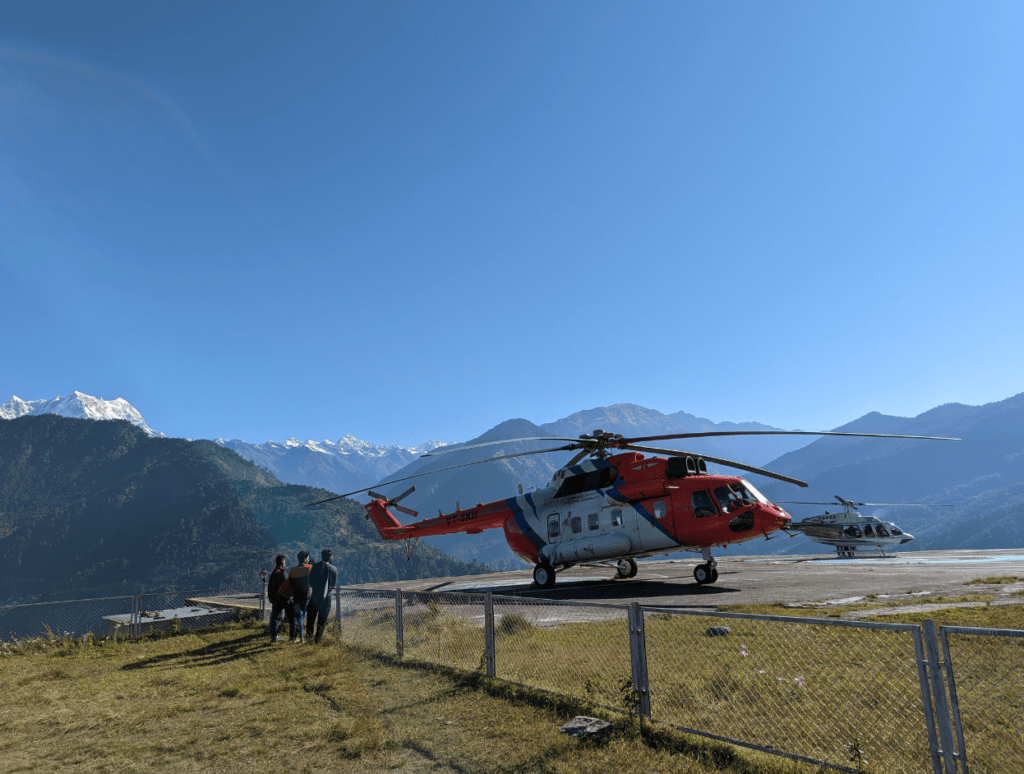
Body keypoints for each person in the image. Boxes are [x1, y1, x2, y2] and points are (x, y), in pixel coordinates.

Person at [306, 548, 339, 644]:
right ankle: (317, 641)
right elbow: (333, 585)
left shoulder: (315, 566)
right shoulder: (333, 569)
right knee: (322, 621)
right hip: (326, 598)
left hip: (314, 597)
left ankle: (308, 640)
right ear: (330, 557)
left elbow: (310, 582)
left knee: (310, 620)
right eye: (332, 556)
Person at [267, 554, 293, 643]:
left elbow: (271, 587)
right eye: (285, 562)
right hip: (282, 598)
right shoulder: (280, 573)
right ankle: (290, 635)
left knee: (276, 616)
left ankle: (274, 635)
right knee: (285, 616)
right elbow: (285, 585)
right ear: (282, 563)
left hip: (276, 598)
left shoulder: (274, 572)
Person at [287, 550, 313, 642]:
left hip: (296, 596)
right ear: (306, 559)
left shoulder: (292, 570)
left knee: (298, 616)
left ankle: (296, 636)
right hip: (306, 596)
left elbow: (290, 583)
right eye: (308, 557)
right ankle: (301, 637)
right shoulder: (309, 568)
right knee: (302, 616)